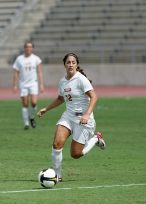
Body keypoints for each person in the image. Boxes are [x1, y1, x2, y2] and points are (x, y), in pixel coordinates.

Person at [37, 52, 106, 182]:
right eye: (68, 62)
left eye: (73, 62)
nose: (71, 64)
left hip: (84, 120)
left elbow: (94, 97)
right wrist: (46, 109)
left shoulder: (81, 79)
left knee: (75, 154)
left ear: (77, 64)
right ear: (64, 64)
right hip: (68, 116)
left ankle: (96, 139)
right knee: (57, 143)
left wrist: (86, 114)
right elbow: (60, 98)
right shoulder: (63, 81)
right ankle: (57, 175)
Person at [13, 41, 44, 130]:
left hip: (33, 83)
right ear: (24, 48)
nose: (28, 48)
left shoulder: (36, 59)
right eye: (27, 47)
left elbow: (40, 72)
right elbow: (16, 72)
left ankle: (31, 117)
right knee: (25, 104)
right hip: (23, 84)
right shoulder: (19, 59)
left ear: (32, 48)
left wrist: (41, 84)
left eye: (30, 47)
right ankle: (26, 123)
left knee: (34, 103)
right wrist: (14, 85)